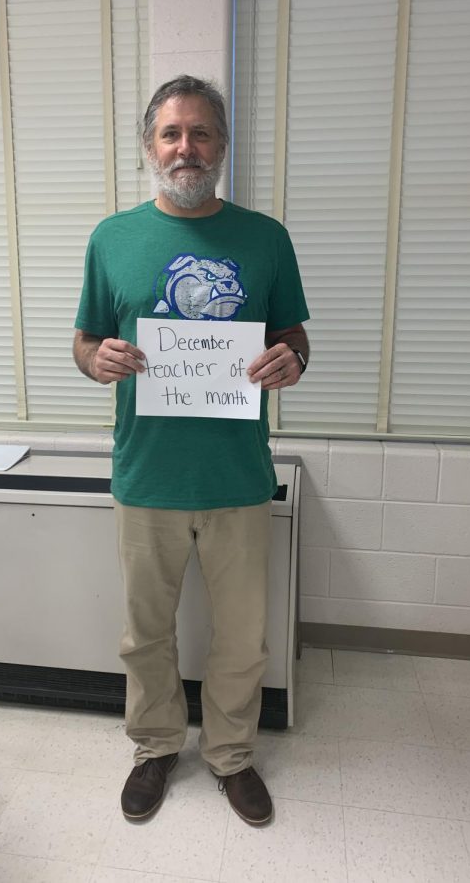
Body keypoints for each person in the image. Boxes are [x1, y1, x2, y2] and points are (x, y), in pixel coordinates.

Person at [73, 75, 309, 826]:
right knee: (146, 633)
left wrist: (291, 361)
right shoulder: (112, 239)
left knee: (241, 637)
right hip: (146, 474)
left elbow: (293, 335)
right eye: (172, 134)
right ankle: (153, 748)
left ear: (221, 147)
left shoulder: (265, 238)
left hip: (237, 475)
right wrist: (95, 359)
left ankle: (232, 756)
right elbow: (82, 341)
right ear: (150, 147)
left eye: (201, 133)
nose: (186, 148)